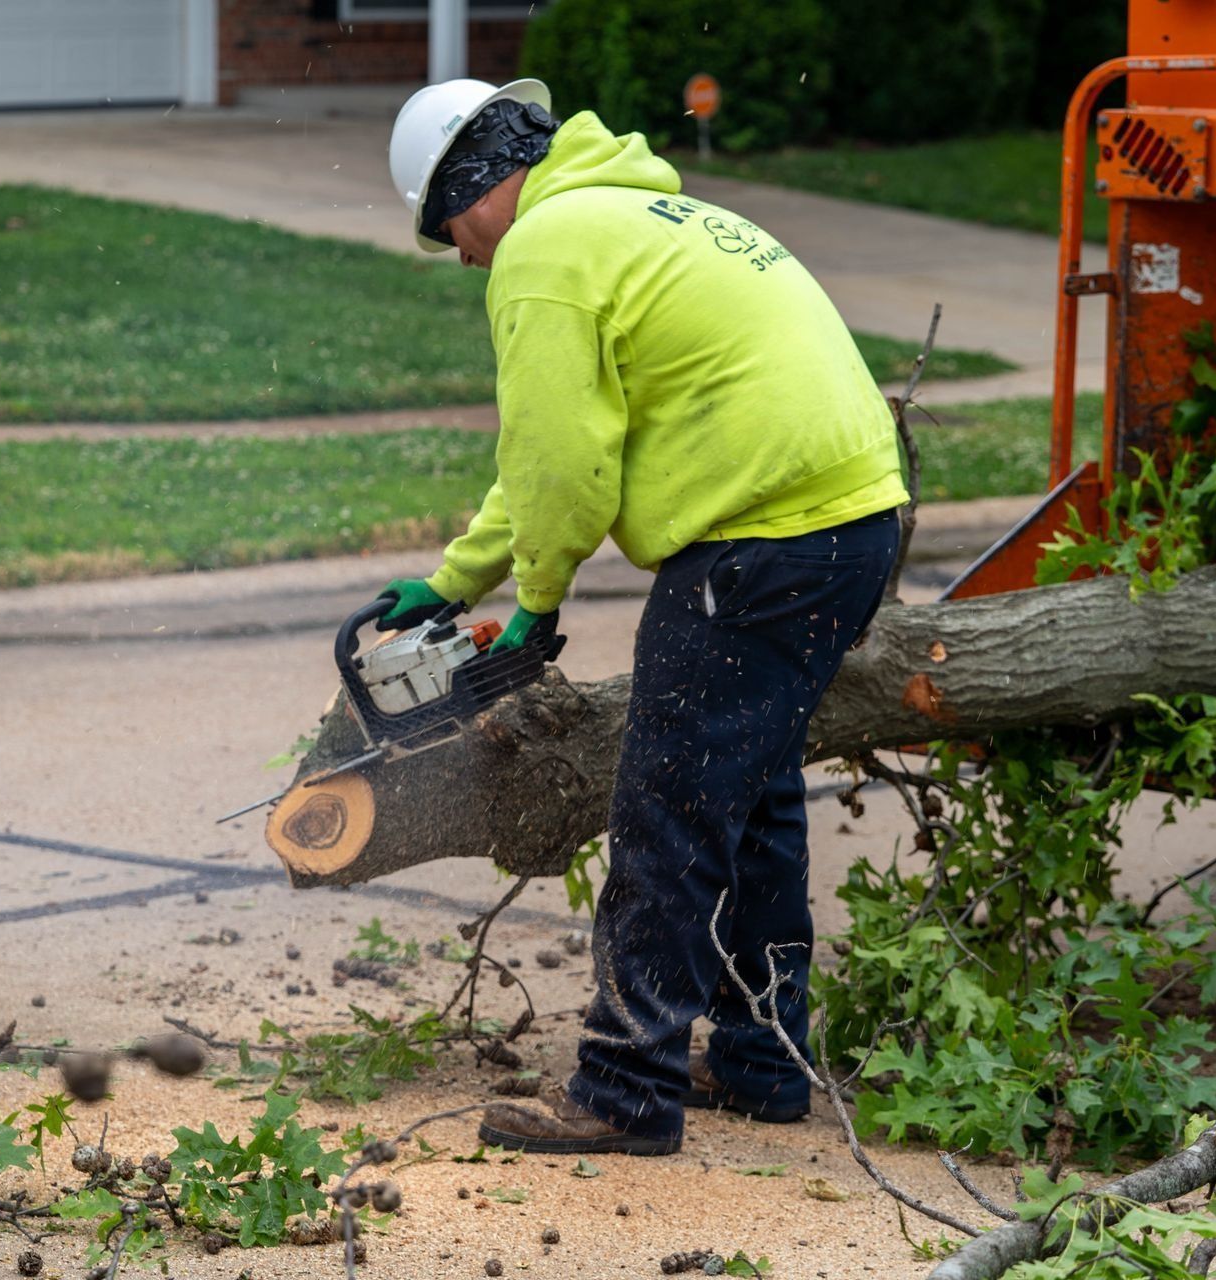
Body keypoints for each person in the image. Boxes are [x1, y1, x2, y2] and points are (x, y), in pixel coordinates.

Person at [374, 78, 908, 1155]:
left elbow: (564, 466)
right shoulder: (635, 210)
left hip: (759, 538)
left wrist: (533, 607)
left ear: (469, 188)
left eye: (451, 235)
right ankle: (764, 1059)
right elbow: (548, 450)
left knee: (666, 803)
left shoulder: (543, 250)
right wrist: (457, 578)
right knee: (750, 794)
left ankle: (624, 1087)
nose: (468, 258)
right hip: (850, 524)